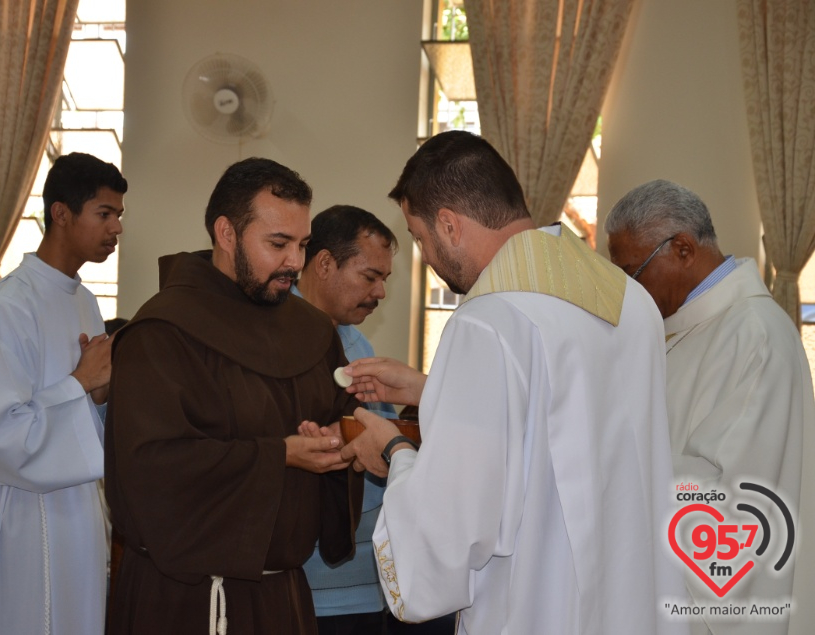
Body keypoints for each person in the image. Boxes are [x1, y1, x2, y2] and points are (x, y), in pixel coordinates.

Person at [336, 131, 687, 634]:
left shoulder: (487, 319)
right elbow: (571, 420)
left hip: (537, 607)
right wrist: (431, 390)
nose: (426, 256)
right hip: (625, 602)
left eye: (419, 237)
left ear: (450, 225)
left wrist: (394, 451)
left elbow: (452, 531)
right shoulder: (630, 300)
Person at [104, 157, 363, 635]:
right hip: (183, 599)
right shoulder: (162, 331)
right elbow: (149, 470)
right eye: (278, 244)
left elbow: (343, 417)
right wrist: (280, 455)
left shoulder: (312, 330)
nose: (295, 263)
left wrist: (338, 441)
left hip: (282, 594)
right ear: (226, 233)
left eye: (303, 245)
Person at [606, 179, 814, 633]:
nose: (627, 290)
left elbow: (732, 494)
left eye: (632, 272)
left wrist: (610, 454)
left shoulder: (754, 336)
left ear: (682, 248)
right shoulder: (687, 326)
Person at [0, 152, 126, 635]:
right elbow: (3, 437)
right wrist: (80, 383)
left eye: (119, 216)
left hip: (80, 509)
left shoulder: (85, 301)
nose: (116, 228)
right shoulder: (7, 307)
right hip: (24, 518)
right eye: (104, 213)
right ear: (61, 213)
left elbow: (88, 409)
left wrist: (99, 395)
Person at [294, 205, 400, 634]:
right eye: (369, 277)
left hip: (364, 580)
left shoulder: (357, 342)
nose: (380, 293)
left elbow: (386, 452)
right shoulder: (268, 337)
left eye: (384, 280)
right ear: (324, 264)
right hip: (301, 582)